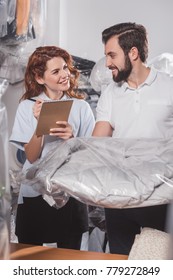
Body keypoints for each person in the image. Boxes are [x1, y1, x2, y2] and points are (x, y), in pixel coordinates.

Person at [92, 22, 173, 255]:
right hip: (119, 197)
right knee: (120, 261)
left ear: (133, 53)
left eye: (112, 55)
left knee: (158, 262)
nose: (107, 63)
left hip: (160, 198)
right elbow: (99, 142)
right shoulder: (110, 92)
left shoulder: (169, 86)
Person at [10, 46, 95, 249]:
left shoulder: (81, 107)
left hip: (70, 192)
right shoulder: (27, 107)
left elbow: (92, 156)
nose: (65, 75)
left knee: (70, 259)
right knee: (29, 259)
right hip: (35, 194)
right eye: (56, 71)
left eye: (65, 68)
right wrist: (40, 125)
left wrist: (72, 139)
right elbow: (31, 157)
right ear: (40, 78)